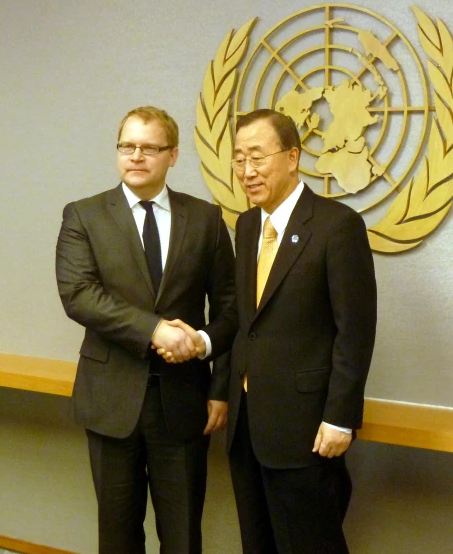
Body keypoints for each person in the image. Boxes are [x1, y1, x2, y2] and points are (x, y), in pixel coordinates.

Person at [55, 106, 237, 554]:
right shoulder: (84, 215)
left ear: (173, 155)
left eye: (149, 147)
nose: (136, 156)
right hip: (111, 400)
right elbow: (78, 294)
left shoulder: (207, 219)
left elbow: (232, 308)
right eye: (126, 146)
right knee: (117, 537)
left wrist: (209, 361)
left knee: (182, 536)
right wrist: (155, 330)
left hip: (184, 402)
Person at [226, 109, 377, 554]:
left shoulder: (336, 225)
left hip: (306, 429)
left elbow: (355, 330)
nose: (247, 171)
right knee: (258, 543)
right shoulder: (246, 225)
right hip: (247, 423)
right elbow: (246, 325)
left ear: (292, 157)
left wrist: (340, 417)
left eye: (257, 157)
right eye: (238, 159)